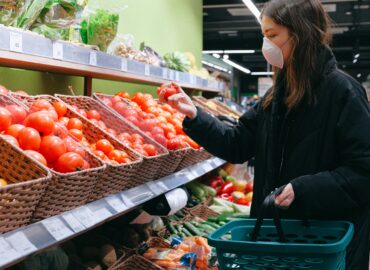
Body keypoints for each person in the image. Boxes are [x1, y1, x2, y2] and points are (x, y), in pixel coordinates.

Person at [158, 0, 370, 269]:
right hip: (277, 237)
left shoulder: (343, 92)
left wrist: (304, 188)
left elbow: (364, 171)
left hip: (325, 244)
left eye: (272, 35)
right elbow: (238, 144)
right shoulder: (276, 96)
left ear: (301, 35)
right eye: (263, 35)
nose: (265, 45)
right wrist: (195, 117)